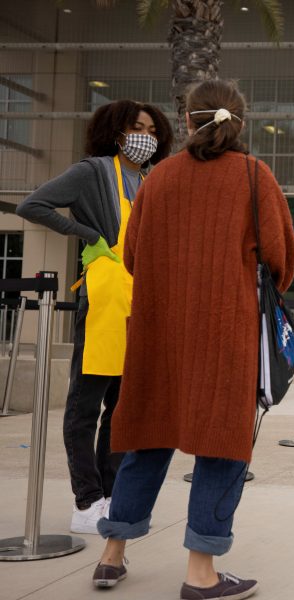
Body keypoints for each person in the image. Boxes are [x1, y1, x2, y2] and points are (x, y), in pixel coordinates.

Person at [91, 80, 294, 599]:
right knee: (222, 445)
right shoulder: (254, 176)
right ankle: (200, 571)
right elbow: (281, 260)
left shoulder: (158, 179)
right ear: (240, 124)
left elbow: (132, 256)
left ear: (186, 122)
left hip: (158, 333)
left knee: (147, 435)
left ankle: (112, 555)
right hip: (226, 333)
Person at [16, 100, 173, 534]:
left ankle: (110, 495)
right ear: (116, 131)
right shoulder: (93, 172)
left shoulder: (148, 179)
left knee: (121, 409)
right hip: (104, 300)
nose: (146, 137)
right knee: (85, 407)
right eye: (137, 128)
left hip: (138, 304)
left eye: (153, 130)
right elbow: (33, 205)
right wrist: (87, 234)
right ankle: (86, 500)